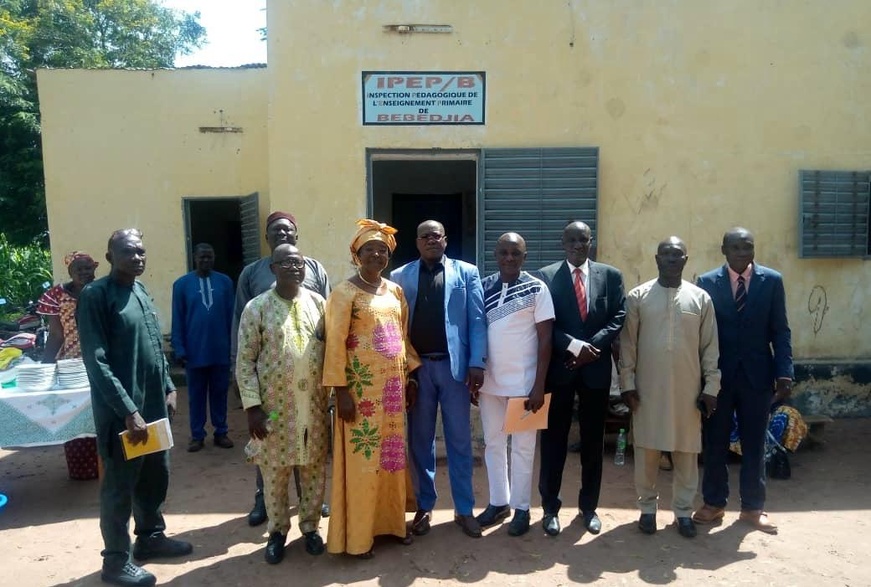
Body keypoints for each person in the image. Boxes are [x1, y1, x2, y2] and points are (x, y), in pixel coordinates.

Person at [78, 229, 192, 587]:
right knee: (120, 486)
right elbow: (96, 361)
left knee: (156, 473)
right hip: (122, 413)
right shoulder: (96, 296)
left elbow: (155, 345)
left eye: (142, 252)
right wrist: (128, 409)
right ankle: (115, 561)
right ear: (110, 256)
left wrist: (170, 386)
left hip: (154, 405)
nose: (138, 258)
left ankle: (150, 537)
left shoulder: (140, 290)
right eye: (129, 252)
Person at [324, 219, 421, 557]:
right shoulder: (343, 293)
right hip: (360, 395)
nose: (377, 254)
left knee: (391, 460)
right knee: (364, 463)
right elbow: (335, 344)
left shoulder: (394, 292)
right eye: (369, 249)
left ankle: (393, 525)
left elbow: (402, 337)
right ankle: (359, 537)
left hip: (392, 394)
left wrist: (410, 377)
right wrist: (341, 391)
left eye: (382, 249)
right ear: (357, 254)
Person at [231, 210, 331, 526]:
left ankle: (310, 520)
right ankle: (274, 524)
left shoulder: (317, 291)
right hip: (273, 405)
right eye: (276, 232)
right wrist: (251, 404)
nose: (292, 268)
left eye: (288, 231)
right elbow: (245, 353)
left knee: (312, 460)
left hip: (312, 402)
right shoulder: (253, 292)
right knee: (272, 462)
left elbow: (331, 338)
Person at [390, 219, 487, 539]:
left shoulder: (466, 273)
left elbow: (476, 320)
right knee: (420, 442)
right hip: (417, 371)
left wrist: (476, 363)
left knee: (460, 441)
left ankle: (463, 509)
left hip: (454, 370)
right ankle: (424, 505)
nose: (431, 240)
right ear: (417, 243)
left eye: (437, 236)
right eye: (425, 237)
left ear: (446, 240)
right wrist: (404, 371)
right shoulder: (399, 277)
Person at [618, 237, 721, 538]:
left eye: (677, 255)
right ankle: (647, 510)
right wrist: (627, 384)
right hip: (648, 389)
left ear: (686, 260)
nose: (671, 260)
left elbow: (710, 347)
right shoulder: (638, 297)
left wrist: (711, 386)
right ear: (656, 259)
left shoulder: (700, 299)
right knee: (647, 450)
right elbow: (628, 345)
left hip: (688, 391)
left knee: (686, 452)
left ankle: (683, 512)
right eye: (666, 255)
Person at [695, 227, 793, 534]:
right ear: (723, 249)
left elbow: (780, 330)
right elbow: (700, 336)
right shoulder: (707, 283)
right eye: (735, 247)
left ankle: (753, 508)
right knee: (715, 443)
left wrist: (784, 372)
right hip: (719, 380)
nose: (742, 252)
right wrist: (701, 379)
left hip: (757, 377)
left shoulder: (772, 281)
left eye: (747, 247)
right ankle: (714, 503)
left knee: (754, 444)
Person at [536, 221, 626, 536]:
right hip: (560, 370)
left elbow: (618, 315)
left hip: (596, 370)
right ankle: (549, 508)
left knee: (592, 442)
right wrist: (574, 346)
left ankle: (589, 508)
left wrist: (593, 346)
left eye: (583, 240)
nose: (577, 245)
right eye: (572, 239)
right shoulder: (545, 277)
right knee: (554, 441)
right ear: (563, 242)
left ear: (591, 243)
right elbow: (545, 322)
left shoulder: (611, 276)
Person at [475, 233, 554, 537]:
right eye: (504, 252)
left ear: (525, 256)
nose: (509, 258)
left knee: (523, 447)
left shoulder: (537, 288)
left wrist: (539, 385)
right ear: (495, 254)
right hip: (489, 383)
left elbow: (546, 339)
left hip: (525, 385)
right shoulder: (482, 287)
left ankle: (522, 508)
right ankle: (499, 503)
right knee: (493, 444)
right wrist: (475, 376)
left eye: (515, 253)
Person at [37, 251, 100, 480]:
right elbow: (55, 334)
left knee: (103, 413)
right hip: (71, 366)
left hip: (102, 361)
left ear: (95, 268)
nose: (84, 273)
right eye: (78, 269)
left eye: (88, 268)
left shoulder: (102, 290)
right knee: (74, 415)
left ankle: (108, 466)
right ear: (70, 272)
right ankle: (82, 469)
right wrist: (44, 369)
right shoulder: (55, 295)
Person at [171, 243, 235, 452]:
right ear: (195, 258)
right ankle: (197, 435)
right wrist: (179, 348)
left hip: (220, 349)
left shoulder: (224, 282)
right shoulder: (181, 284)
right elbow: (177, 318)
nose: (205, 261)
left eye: (209, 257)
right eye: (202, 257)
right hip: (194, 351)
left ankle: (221, 432)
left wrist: (233, 347)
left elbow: (231, 317)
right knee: (196, 396)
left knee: (219, 393)